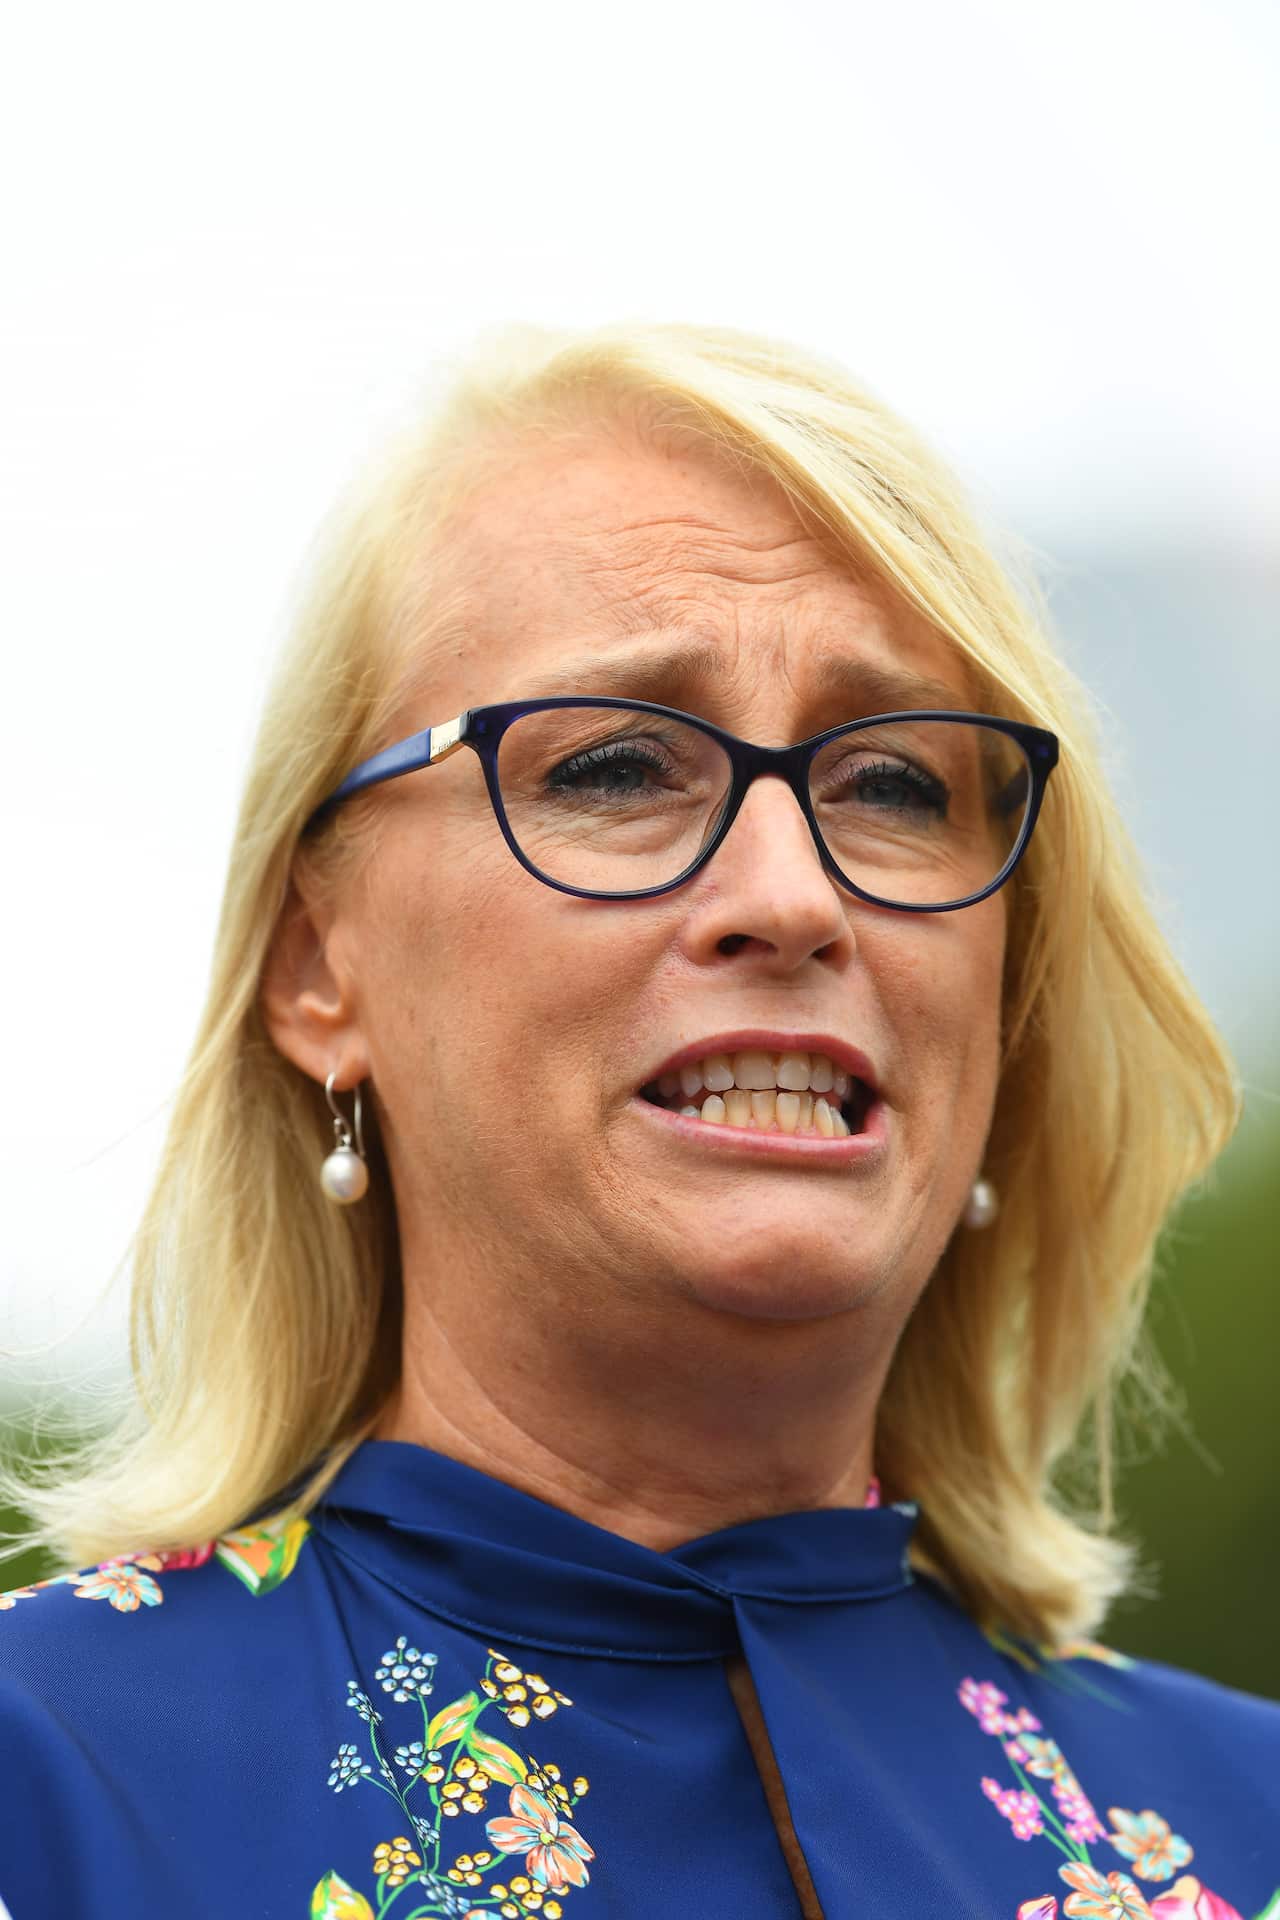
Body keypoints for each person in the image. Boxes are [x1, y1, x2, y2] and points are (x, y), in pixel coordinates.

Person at [1, 322, 1276, 1920]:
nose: (793, 896)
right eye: (616, 767)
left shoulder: (1251, 1831)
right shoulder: (45, 1783)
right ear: (321, 967)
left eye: (893, 784)